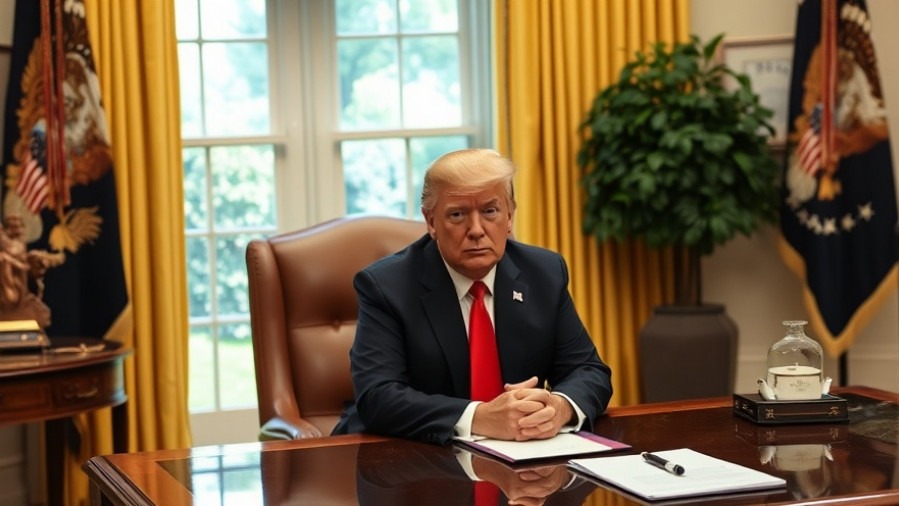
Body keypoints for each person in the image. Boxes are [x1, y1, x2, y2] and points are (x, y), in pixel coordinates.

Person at [332, 148, 612, 444]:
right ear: (431, 222)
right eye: (457, 214)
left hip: (520, 461)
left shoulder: (544, 272)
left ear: (509, 217)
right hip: (407, 462)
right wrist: (479, 417)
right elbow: (378, 397)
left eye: (490, 211)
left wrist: (560, 407)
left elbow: (589, 371)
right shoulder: (387, 286)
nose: (476, 230)